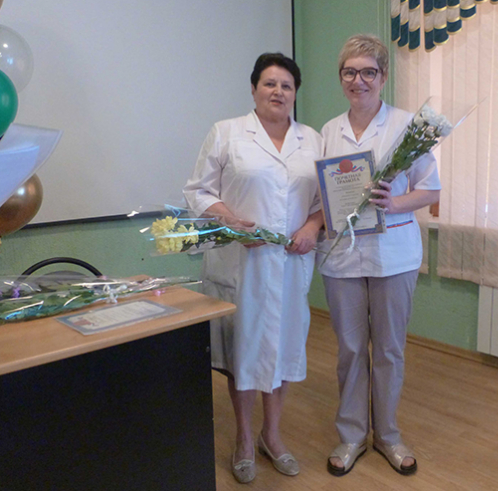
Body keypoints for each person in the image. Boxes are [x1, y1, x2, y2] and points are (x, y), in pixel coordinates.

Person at [183, 53, 324, 484]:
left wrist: (312, 227)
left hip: (290, 263)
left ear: (295, 93)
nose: (278, 91)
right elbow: (198, 191)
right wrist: (231, 221)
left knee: (283, 350)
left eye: (286, 85)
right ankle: (244, 439)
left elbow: (326, 201)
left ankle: (272, 436)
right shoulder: (227, 133)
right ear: (253, 88)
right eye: (269, 83)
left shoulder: (312, 139)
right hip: (241, 263)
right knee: (243, 352)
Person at [318, 34, 441, 477]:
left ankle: (387, 434)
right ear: (341, 78)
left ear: (383, 76)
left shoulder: (408, 127)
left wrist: (394, 202)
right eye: (350, 72)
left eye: (368, 72)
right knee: (351, 349)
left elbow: (431, 190)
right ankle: (352, 434)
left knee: (389, 349)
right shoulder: (328, 131)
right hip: (342, 259)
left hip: (394, 255)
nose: (359, 80)